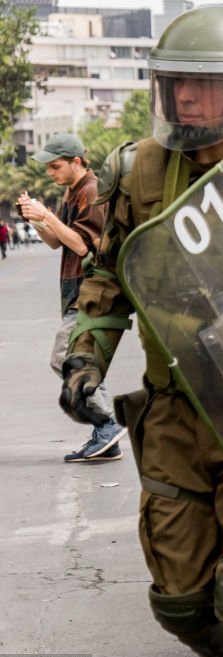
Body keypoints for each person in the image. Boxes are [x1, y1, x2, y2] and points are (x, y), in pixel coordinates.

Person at [59, 7, 223, 657]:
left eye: (204, 81)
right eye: (176, 82)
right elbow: (108, 272)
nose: (185, 96)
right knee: (180, 600)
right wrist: (86, 353)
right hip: (173, 413)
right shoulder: (139, 170)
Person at [17, 133, 126, 463]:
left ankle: (107, 426)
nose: (50, 173)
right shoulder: (72, 192)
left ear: (76, 162)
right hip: (75, 289)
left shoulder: (91, 191)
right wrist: (37, 220)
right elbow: (57, 242)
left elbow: (82, 245)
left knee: (66, 359)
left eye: (55, 166)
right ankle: (106, 437)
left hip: (89, 291)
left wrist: (46, 215)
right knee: (83, 364)